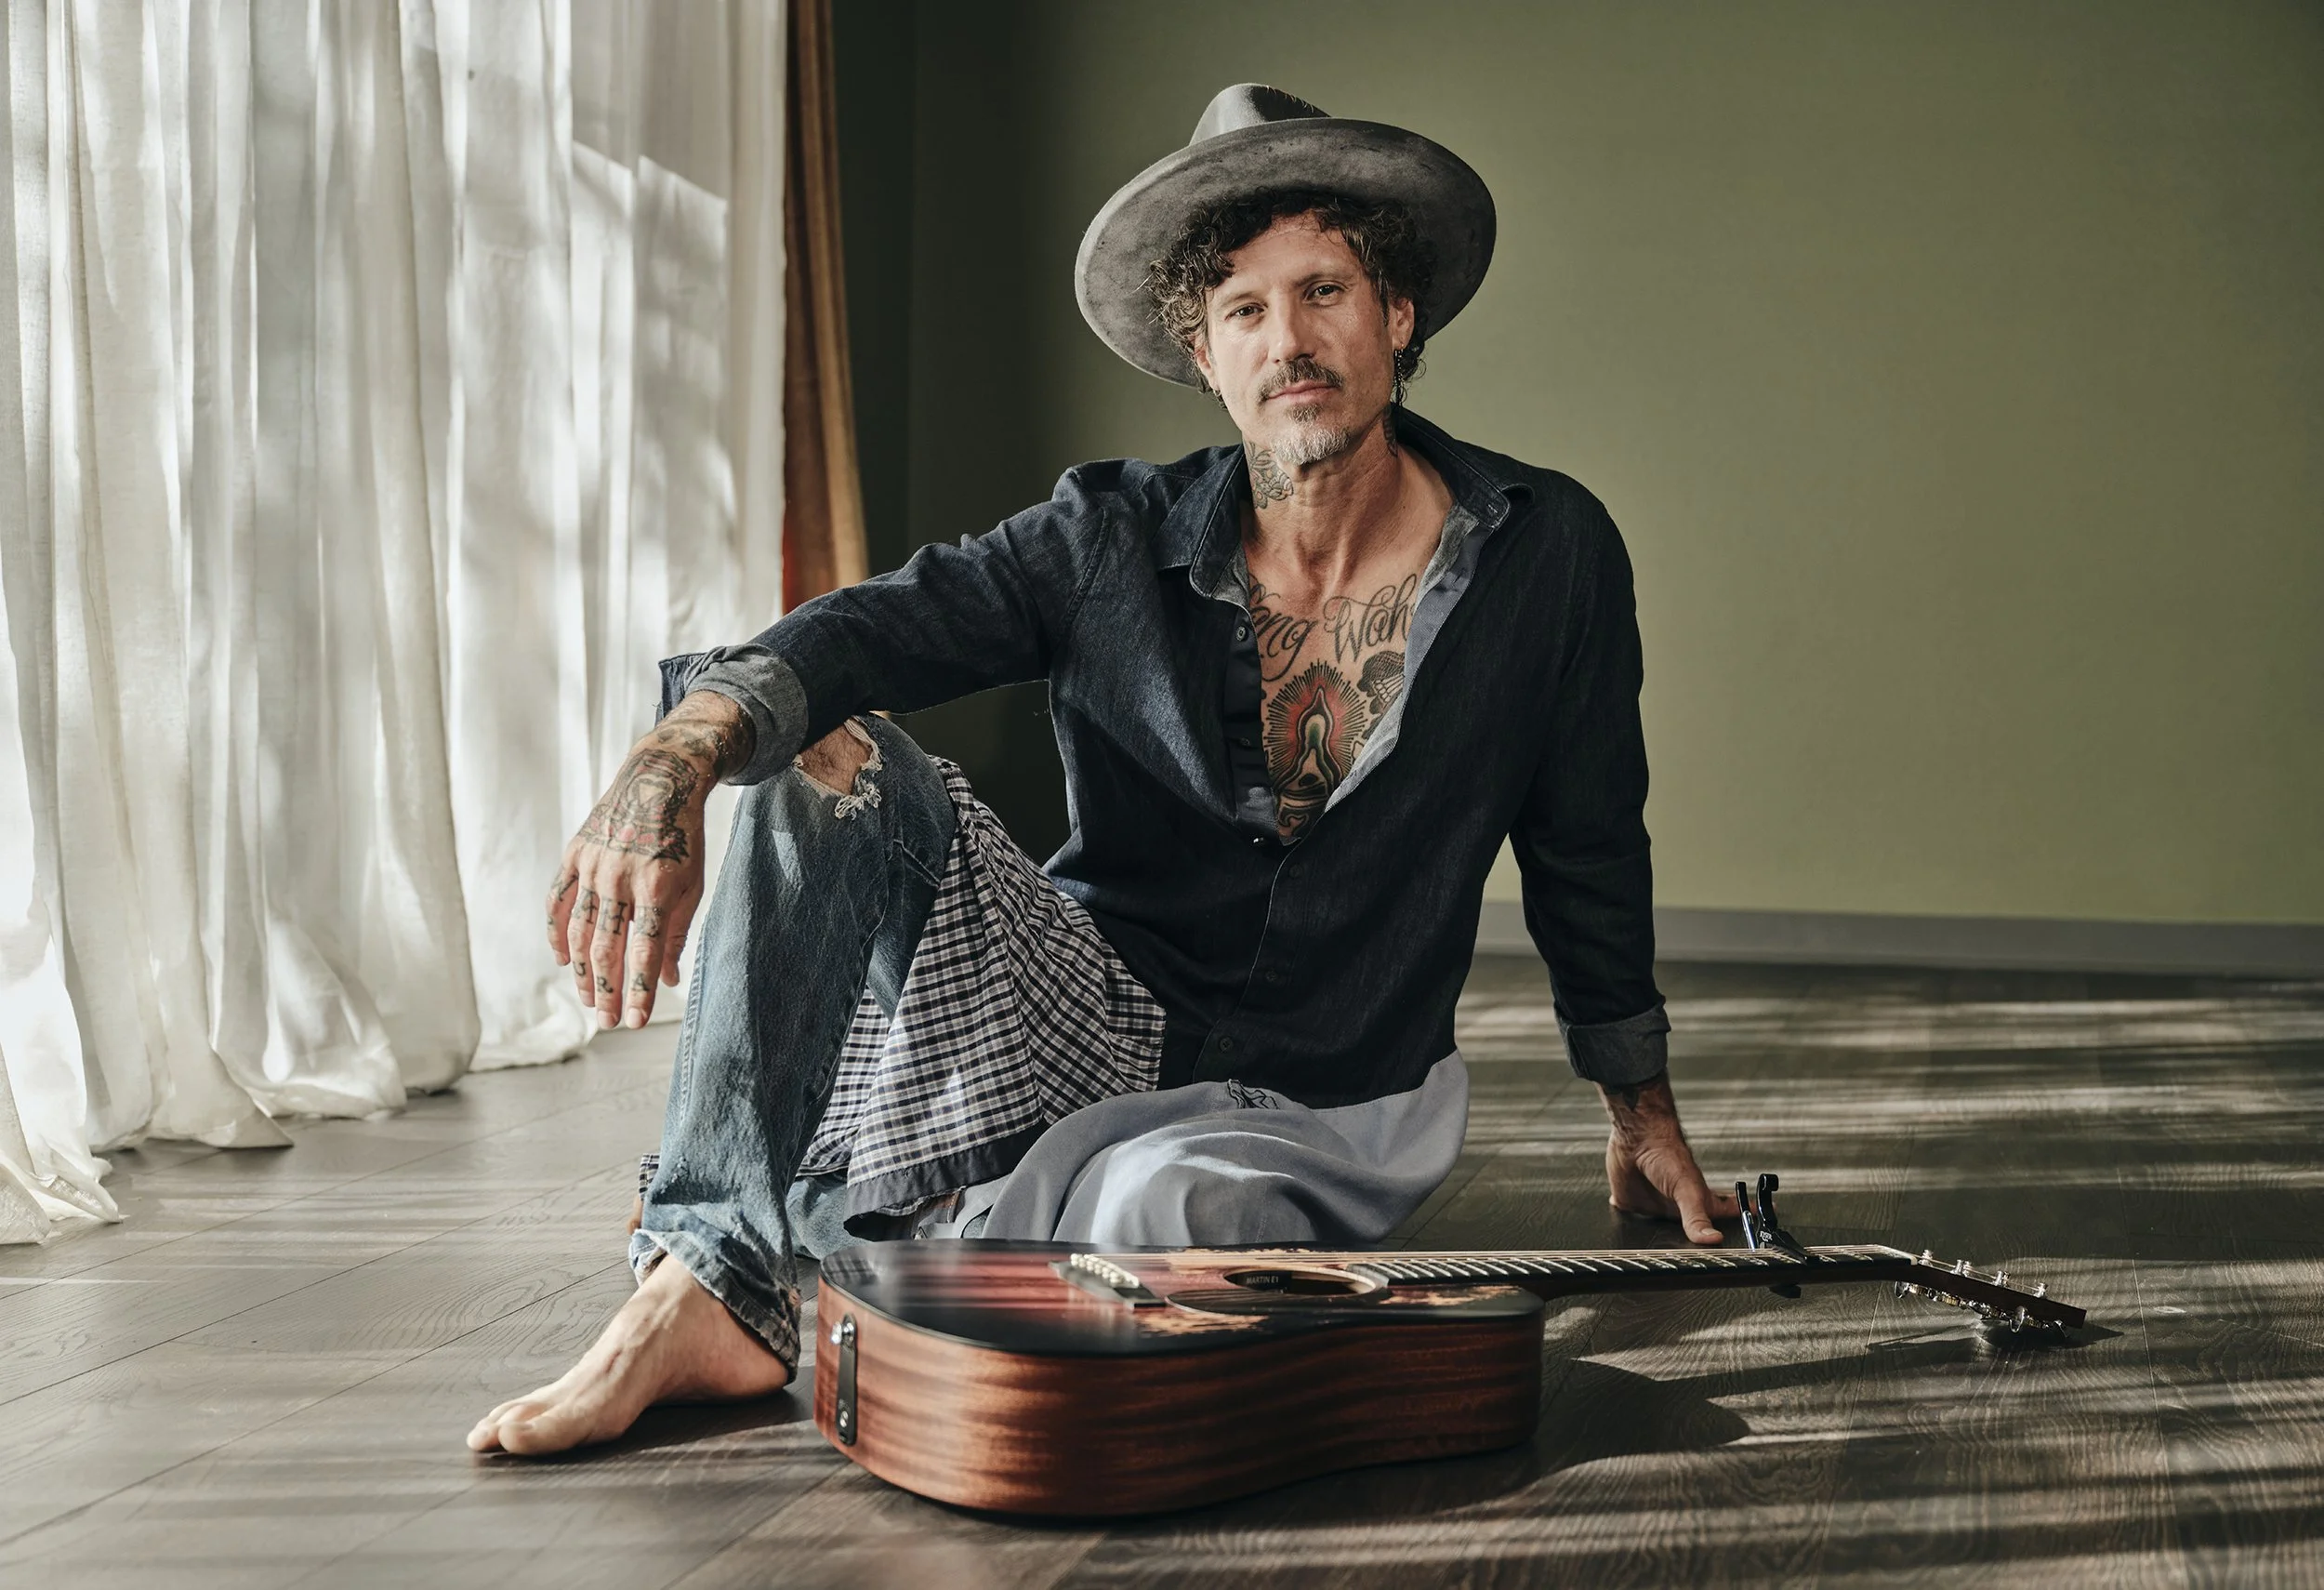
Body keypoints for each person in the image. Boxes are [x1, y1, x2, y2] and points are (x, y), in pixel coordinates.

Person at [469, 84, 1737, 1458]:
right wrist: (676, 752)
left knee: (1151, 1220)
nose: (1291, 341)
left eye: (1325, 289)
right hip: (1100, 1010)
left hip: (1340, 1080)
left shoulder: (1547, 552)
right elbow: (874, 625)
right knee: (813, 751)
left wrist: (1640, 1103)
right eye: (1246, 311)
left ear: (1398, 315)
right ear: (1204, 352)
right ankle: (705, 1280)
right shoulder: (1108, 535)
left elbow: (1588, 836)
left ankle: (928, 1231)